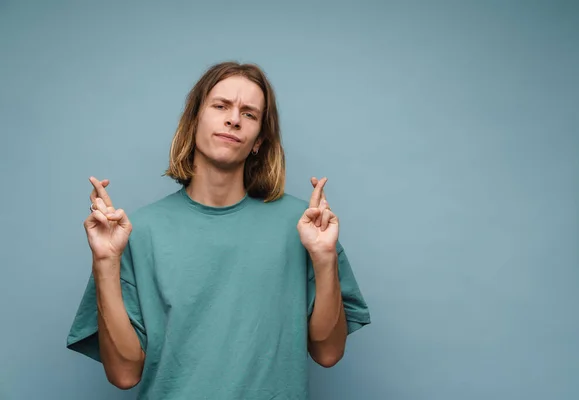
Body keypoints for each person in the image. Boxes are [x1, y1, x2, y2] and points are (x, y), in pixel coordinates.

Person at [66, 61, 371, 400]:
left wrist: (325, 257)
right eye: (221, 106)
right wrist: (106, 261)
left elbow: (328, 354)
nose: (234, 119)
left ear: (258, 141)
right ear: (194, 119)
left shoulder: (304, 225)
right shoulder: (136, 233)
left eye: (250, 114)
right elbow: (123, 374)